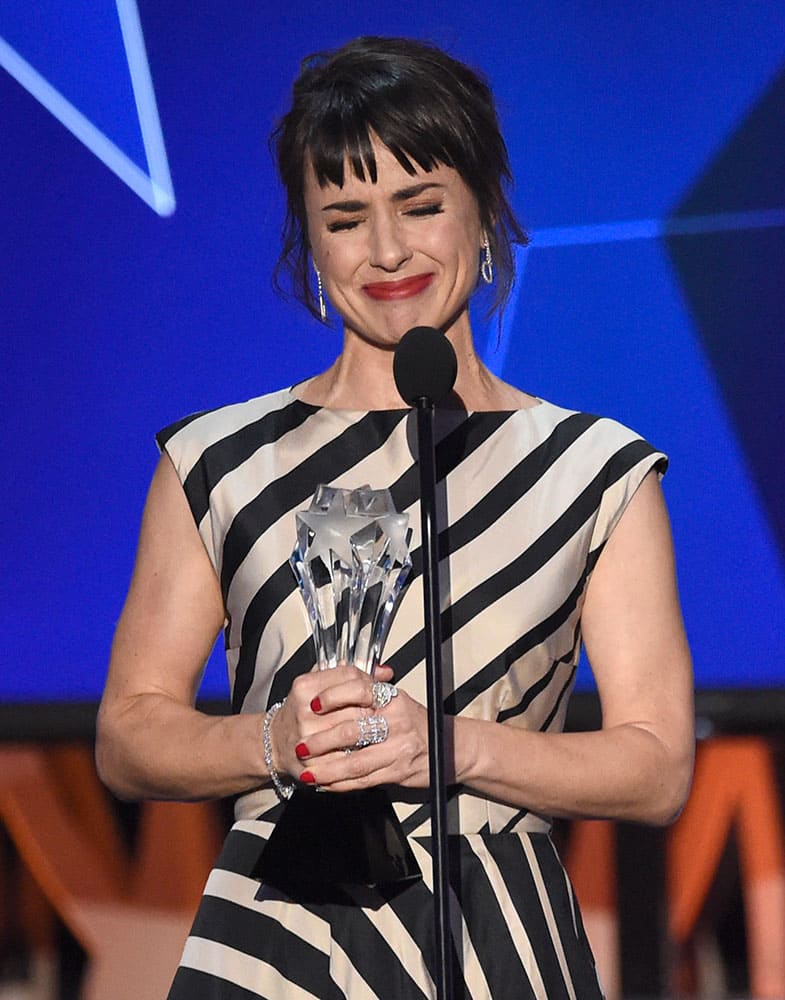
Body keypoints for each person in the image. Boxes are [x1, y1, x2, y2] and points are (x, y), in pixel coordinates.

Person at [96, 35, 694, 999]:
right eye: (344, 217)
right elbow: (127, 737)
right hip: (275, 939)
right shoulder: (217, 461)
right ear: (308, 239)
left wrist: (446, 748)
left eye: (420, 206)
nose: (385, 252)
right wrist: (270, 743)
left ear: (485, 209)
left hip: (499, 942)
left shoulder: (594, 470)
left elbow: (656, 768)